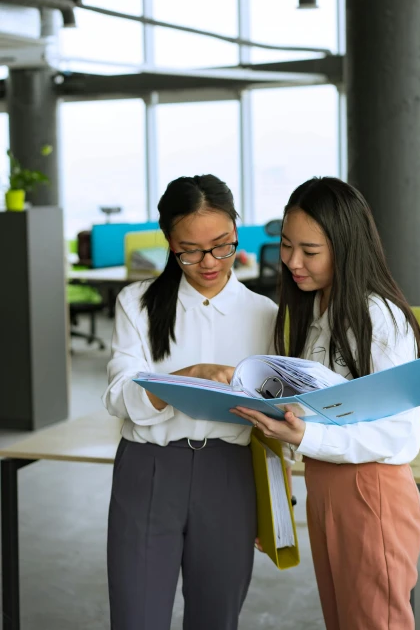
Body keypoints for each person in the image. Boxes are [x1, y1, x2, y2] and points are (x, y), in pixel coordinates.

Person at [232, 176, 420, 630]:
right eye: (285, 245)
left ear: (345, 248)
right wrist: (275, 506)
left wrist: (306, 433)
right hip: (324, 486)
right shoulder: (313, 310)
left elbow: (396, 431)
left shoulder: (379, 317)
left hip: (370, 488)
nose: (292, 262)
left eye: (310, 251)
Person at [103, 174, 277, 630]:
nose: (208, 262)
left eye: (222, 245)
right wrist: (189, 376)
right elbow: (119, 397)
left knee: (216, 620)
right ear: (169, 242)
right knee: (136, 618)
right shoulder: (136, 304)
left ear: (237, 230)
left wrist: (273, 502)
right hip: (149, 470)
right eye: (190, 250)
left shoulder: (267, 315)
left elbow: (277, 419)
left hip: (230, 476)